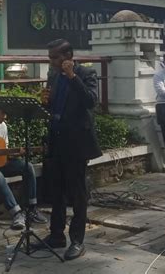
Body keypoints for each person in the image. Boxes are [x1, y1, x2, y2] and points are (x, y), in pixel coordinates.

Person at [34, 38, 102, 261]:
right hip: (57, 139)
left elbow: (91, 101)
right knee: (57, 191)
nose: (51, 61)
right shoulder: (53, 75)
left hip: (77, 142)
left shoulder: (86, 74)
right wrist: (44, 102)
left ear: (68, 56)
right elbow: (53, 105)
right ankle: (56, 236)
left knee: (77, 193)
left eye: (55, 57)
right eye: (50, 57)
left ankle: (77, 240)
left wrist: (72, 77)